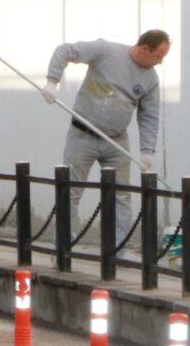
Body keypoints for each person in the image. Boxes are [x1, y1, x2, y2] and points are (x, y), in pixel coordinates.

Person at [42, 29, 171, 236]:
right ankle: (64, 248)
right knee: (70, 191)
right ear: (146, 48)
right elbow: (65, 50)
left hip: (117, 141)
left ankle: (119, 248)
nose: (160, 62)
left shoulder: (151, 79)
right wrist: (52, 81)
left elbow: (149, 116)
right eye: (159, 56)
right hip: (82, 135)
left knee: (122, 196)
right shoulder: (105, 51)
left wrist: (148, 150)